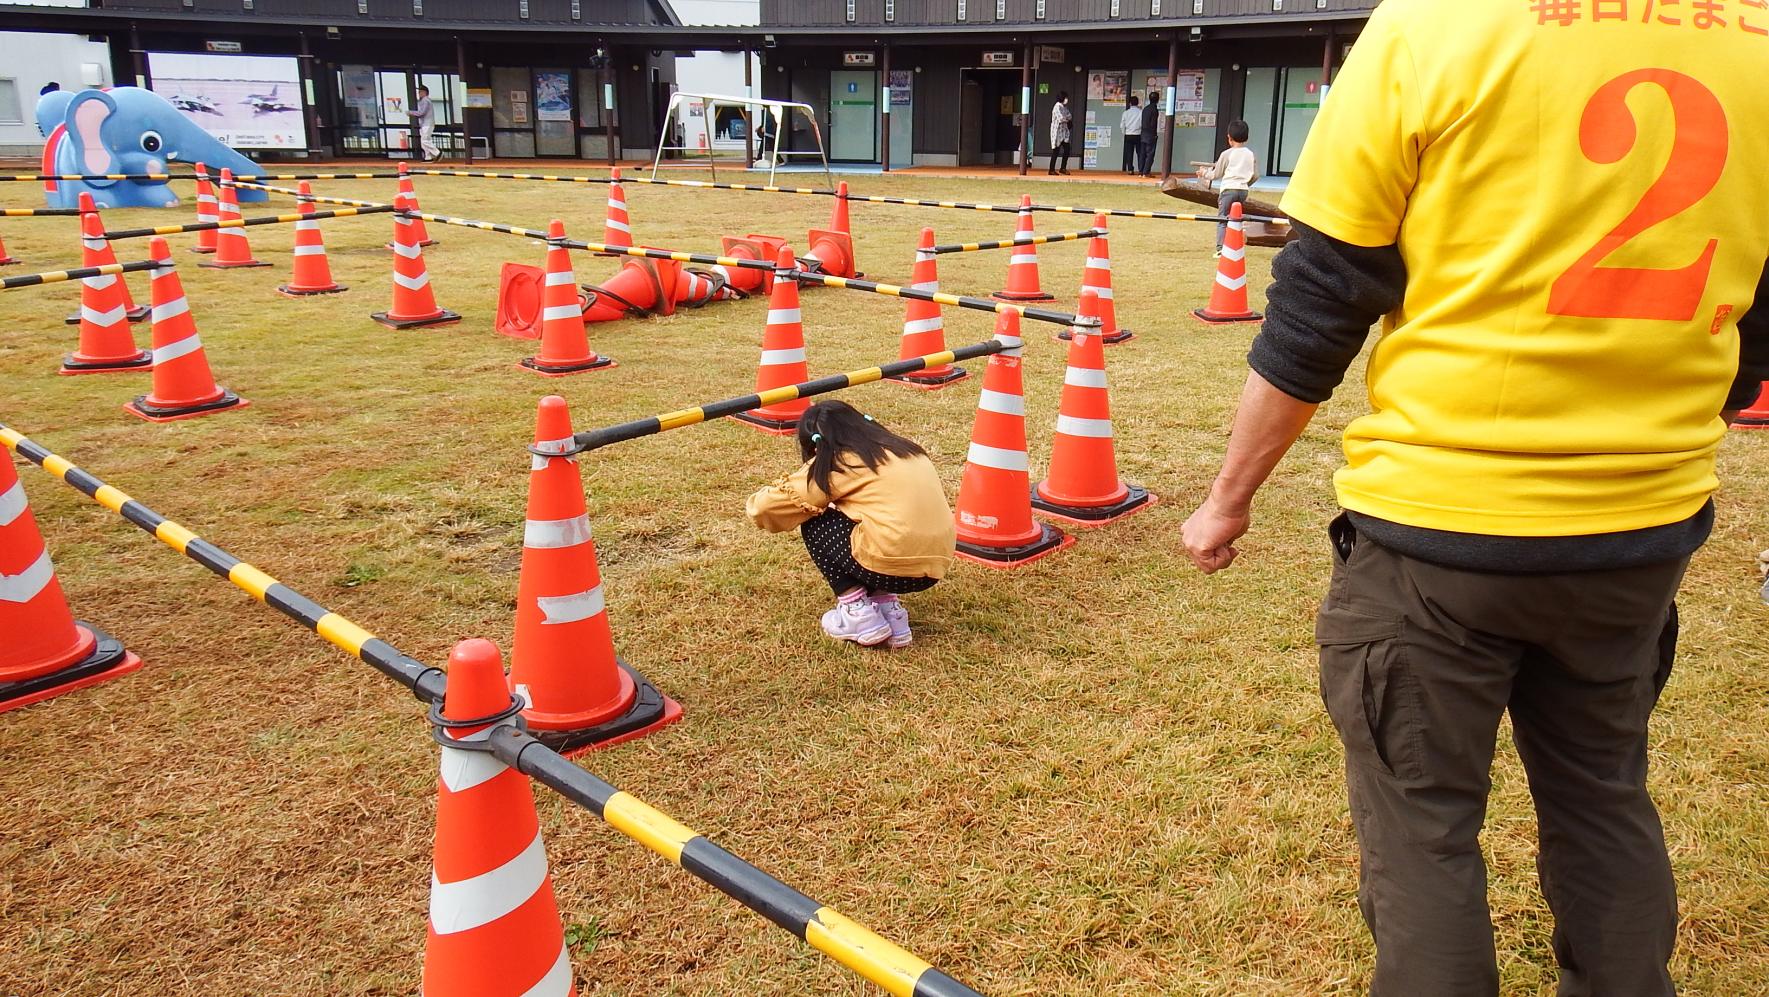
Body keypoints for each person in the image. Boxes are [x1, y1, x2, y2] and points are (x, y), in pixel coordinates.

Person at [1179, 2, 1768, 995]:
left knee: (1420, 827)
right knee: (1601, 794)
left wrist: (1226, 497)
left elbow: (1322, 297)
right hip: (1638, 530)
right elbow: (1754, 325)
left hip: (1439, 529)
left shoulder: (1435, 24)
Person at [746, 401, 955, 648]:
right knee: (874, 525)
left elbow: (764, 508)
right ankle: (891, 613)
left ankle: (860, 615)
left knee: (817, 523)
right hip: (935, 566)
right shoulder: (907, 449)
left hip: (890, 564)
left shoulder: (842, 461)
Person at [1202, 120, 1259, 255]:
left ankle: (1221, 249)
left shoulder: (1227, 154)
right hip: (1243, 190)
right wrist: (1245, 183)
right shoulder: (1250, 154)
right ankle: (1236, 244)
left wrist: (1204, 173)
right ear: (1247, 137)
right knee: (1236, 218)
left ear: (1229, 138)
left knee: (1223, 219)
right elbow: (1255, 175)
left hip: (1228, 189)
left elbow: (1216, 174)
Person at [412, 84, 439, 162]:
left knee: (425, 140)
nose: (419, 93)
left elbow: (421, 113)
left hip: (427, 124)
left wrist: (411, 112)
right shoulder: (425, 101)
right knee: (424, 141)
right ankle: (428, 157)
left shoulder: (425, 100)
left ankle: (437, 153)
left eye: (420, 92)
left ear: (424, 92)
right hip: (425, 124)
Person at [1048, 92, 1072, 176]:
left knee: (1067, 149)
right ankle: (1051, 170)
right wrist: (1067, 119)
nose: (1066, 99)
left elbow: (1069, 116)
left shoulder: (1064, 107)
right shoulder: (1057, 107)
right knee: (1056, 151)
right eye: (1065, 98)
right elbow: (1061, 118)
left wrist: (1067, 119)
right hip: (1057, 131)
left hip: (1064, 132)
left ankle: (1063, 168)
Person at [1118, 95, 1143, 174]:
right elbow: (1142, 124)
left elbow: (1122, 125)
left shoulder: (1126, 113)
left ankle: (1130, 169)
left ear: (1130, 103)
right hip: (1138, 134)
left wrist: (1124, 133)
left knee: (1129, 153)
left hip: (1128, 134)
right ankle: (1141, 169)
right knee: (1140, 152)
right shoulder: (1141, 112)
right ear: (1138, 103)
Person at [1138, 90, 1160, 176]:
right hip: (1150, 134)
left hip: (1143, 133)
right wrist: (1154, 134)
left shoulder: (1145, 109)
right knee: (1150, 154)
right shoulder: (1154, 109)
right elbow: (1153, 123)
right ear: (1157, 100)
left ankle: (1141, 171)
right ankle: (1146, 172)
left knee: (1142, 153)